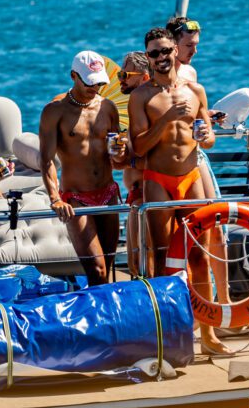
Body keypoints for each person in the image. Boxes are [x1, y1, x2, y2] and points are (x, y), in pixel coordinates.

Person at [129, 27, 229, 354]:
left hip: (190, 175)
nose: (160, 58)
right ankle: (167, 335)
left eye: (165, 51)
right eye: (153, 53)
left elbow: (209, 136)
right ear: (149, 58)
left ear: (174, 51)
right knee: (161, 258)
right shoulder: (141, 96)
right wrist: (168, 118)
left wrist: (205, 135)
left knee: (200, 256)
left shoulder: (195, 90)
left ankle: (209, 336)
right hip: (158, 178)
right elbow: (139, 146)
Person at [39, 50, 125, 284]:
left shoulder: (108, 108)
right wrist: (55, 198)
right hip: (76, 198)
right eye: (89, 82)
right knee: (96, 270)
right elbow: (46, 160)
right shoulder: (54, 111)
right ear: (73, 76)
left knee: (107, 265)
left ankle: (107, 318)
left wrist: (120, 153)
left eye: (99, 82)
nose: (94, 88)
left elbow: (118, 160)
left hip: (108, 193)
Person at [166, 17, 232, 307]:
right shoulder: (155, 77)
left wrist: (209, 115)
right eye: (188, 45)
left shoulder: (191, 73)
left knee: (216, 225)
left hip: (197, 154)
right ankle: (189, 301)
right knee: (186, 233)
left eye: (196, 45)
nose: (194, 51)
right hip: (172, 162)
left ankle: (224, 299)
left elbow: (194, 111)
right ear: (172, 44)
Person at [118, 51, 151, 276]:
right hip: (135, 196)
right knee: (134, 263)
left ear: (144, 78)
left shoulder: (148, 110)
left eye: (125, 74)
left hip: (146, 196)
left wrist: (126, 156)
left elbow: (149, 156)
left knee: (143, 263)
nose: (121, 79)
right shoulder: (136, 110)